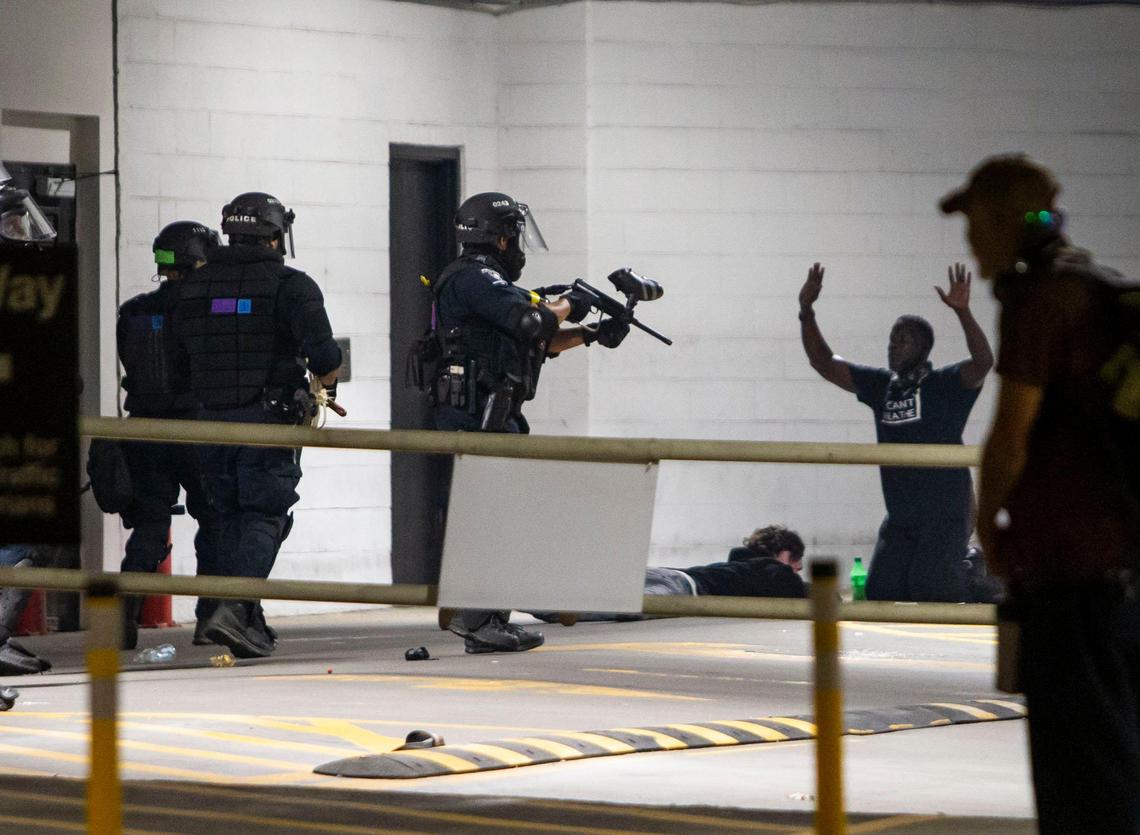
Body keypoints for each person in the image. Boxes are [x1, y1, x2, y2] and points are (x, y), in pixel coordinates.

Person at [943, 153, 1140, 833]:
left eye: (974, 225)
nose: (969, 242)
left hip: (1071, 576)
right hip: (1122, 569)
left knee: (1079, 773)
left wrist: (992, 535)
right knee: (1118, 757)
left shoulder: (1040, 301)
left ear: (1004, 222)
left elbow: (1009, 437)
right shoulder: (1096, 289)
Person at [430, 191, 628, 653]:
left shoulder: (489, 283)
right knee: (496, 514)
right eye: (513, 234)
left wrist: (592, 333)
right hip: (475, 414)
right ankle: (477, 617)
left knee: (504, 512)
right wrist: (568, 305)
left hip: (494, 410)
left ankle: (484, 616)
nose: (517, 244)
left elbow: (541, 341)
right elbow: (531, 321)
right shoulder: (474, 278)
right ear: (499, 238)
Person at [176, 192, 341, 659]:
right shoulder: (292, 285)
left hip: (205, 423)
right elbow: (325, 357)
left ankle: (234, 618)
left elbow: (175, 359)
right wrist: (322, 386)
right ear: (275, 234)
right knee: (264, 516)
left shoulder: (194, 285)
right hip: (266, 421)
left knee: (224, 517)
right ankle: (235, 609)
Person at [797, 260, 993, 602]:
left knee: (931, 591)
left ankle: (976, 571)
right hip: (902, 514)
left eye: (903, 341)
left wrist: (963, 312)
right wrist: (806, 310)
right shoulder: (881, 387)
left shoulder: (945, 384)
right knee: (880, 592)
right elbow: (823, 362)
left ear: (923, 348)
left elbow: (983, 362)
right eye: (891, 340)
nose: (894, 347)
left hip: (946, 513)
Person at [115, 221, 224, 649]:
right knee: (213, 522)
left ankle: (124, 615)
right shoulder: (214, 308)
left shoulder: (133, 311)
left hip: (144, 428)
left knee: (149, 526)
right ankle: (210, 617)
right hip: (195, 428)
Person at [530, 525, 807, 623]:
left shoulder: (743, 566)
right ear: (784, 554)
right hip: (682, 590)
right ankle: (555, 607)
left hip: (672, 574)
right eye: (797, 561)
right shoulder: (773, 570)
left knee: (610, 585)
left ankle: (528, 594)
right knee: (629, 606)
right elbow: (808, 593)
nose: (800, 569)